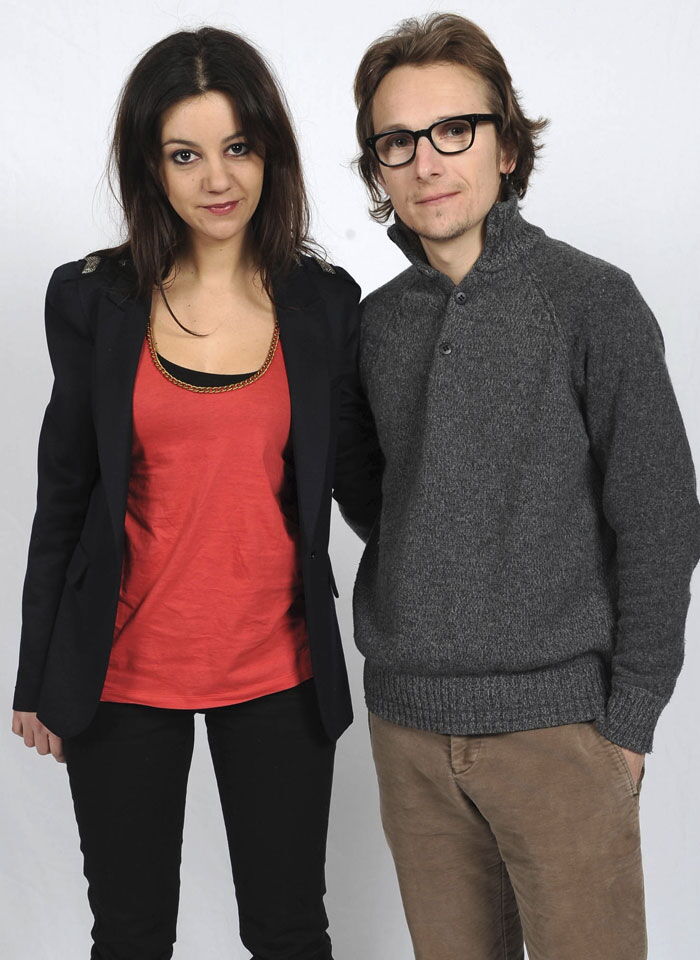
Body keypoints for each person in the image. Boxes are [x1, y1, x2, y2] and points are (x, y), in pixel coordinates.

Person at [11, 25, 380, 960]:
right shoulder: (91, 299)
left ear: (270, 152)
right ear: (151, 165)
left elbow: (364, 485)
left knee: (289, 931)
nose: (218, 179)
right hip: (123, 667)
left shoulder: (325, 304)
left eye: (238, 147)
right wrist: (36, 673)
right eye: (186, 154)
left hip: (279, 668)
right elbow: (64, 495)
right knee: (130, 936)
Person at [349, 12, 700, 960]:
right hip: (408, 731)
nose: (427, 161)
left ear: (506, 146)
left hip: (561, 735)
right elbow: (381, 499)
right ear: (378, 169)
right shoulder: (376, 325)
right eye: (397, 141)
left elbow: (662, 519)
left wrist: (629, 720)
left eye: (454, 129)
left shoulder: (592, 301)